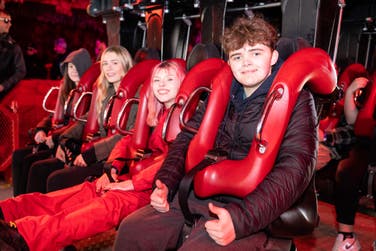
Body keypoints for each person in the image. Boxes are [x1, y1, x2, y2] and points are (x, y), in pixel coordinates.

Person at [114, 16, 318, 250]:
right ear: (229, 62)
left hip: (255, 208)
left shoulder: (297, 100)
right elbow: (187, 138)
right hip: (199, 194)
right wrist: (167, 182)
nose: (246, 62)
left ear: (272, 57)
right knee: (132, 231)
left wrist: (241, 219)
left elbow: (295, 168)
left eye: (256, 53)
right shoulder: (220, 95)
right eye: (238, 56)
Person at [0, 60, 186, 251]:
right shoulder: (155, 113)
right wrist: (112, 168)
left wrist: (132, 183)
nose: (162, 85)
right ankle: (7, 213)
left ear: (183, 82)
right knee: (70, 197)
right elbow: (126, 141)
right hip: (127, 177)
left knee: (81, 216)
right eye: (157, 80)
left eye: (169, 79)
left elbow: (173, 162)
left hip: (149, 188)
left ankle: (22, 236)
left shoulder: (186, 119)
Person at [25, 45, 133, 194]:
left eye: (115, 63)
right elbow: (85, 120)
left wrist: (91, 154)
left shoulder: (134, 96)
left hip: (115, 160)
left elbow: (126, 136)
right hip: (99, 153)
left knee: (56, 179)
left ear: (126, 64)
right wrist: (65, 139)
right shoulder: (106, 92)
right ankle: (23, 213)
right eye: (105, 63)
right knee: (38, 169)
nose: (109, 68)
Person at [11, 48, 92, 196]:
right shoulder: (67, 89)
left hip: (69, 143)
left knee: (36, 167)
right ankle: (18, 204)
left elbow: (80, 123)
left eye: (75, 66)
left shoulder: (89, 93)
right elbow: (53, 116)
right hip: (56, 137)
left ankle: (29, 210)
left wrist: (55, 138)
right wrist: (40, 130)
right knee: (18, 156)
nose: (72, 71)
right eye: (69, 67)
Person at [327, 77, 373, 251]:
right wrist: (350, 91)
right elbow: (356, 122)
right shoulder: (370, 84)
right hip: (367, 139)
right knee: (346, 170)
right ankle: (347, 237)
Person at [0, 9, 26, 100]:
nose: (10, 24)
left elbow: (21, 71)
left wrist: (3, 86)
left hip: (3, 97)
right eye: (6, 21)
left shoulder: (13, 47)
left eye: (10, 21)